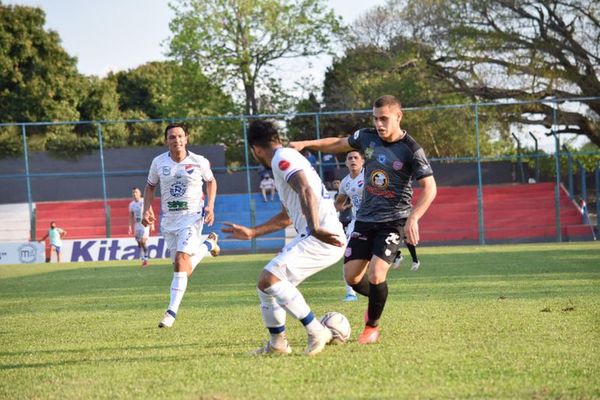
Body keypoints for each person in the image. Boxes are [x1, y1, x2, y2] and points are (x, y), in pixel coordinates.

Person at [290, 95, 437, 344]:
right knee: (352, 278)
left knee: (377, 274)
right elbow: (338, 143)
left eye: (384, 119)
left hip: (394, 221)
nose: (379, 124)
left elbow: (430, 187)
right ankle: (379, 299)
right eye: (375, 118)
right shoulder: (366, 137)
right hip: (365, 220)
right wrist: (306, 143)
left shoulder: (411, 149)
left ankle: (371, 327)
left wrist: (413, 219)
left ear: (398, 117)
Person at [222, 119, 346, 356]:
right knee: (265, 287)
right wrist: (252, 232)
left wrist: (315, 227)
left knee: (270, 279)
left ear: (255, 150)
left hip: (323, 235)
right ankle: (278, 344)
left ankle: (316, 330)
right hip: (316, 234)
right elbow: (287, 216)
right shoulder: (284, 160)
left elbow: (305, 189)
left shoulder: (281, 158)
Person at [142, 123, 220, 329]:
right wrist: (146, 209)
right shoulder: (158, 163)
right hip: (169, 220)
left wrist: (210, 206)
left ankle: (170, 312)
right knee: (183, 270)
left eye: (180, 136)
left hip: (192, 217)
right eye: (172, 137)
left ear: (186, 139)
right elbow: (150, 187)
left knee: (180, 261)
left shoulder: (198, 161)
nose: (176, 140)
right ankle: (208, 246)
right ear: (166, 140)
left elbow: (211, 182)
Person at [334, 150, 365, 302]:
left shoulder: (370, 176)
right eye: (349, 158)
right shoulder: (345, 182)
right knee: (347, 254)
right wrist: (336, 207)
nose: (353, 160)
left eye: (356, 157)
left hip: (377, 220)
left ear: (362, 161)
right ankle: (350, 293)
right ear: (346, 163)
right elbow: (339, 202)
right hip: (357, 223)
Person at [128, 187, 154, 267]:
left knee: (143, 241)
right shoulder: (131, 204)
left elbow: (151, 213)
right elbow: (131, 217)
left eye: (136, 192)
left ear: (140, 193)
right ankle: (144, 256)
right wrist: (130, 227)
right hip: (137, 225)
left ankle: (145, 259)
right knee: (139, 243)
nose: (134, 194)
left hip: (145, 224)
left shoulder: (144, 201)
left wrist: (152, 224)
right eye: (133, 192)